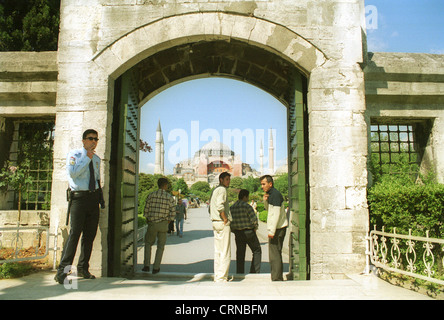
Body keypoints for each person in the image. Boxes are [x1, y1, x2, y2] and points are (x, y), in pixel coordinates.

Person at [55, 129, 102, 284]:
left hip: (92, 198)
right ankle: (62, 271)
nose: (93, 142)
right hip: (79, 199)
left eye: (96, 139)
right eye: (90, 138)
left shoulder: (97, 159)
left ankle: (83, 268)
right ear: (84, 141)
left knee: (90, 235)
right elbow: (73, 173)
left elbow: (96, 180)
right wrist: (87, 159)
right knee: (75, 234)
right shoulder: (75, 155)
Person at [142, 178, 175, 274]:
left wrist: (149, 219)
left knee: (148, 244)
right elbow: (172, 213)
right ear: (165, 185)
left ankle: (146, 265)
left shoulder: (151, 195)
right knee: (160, 246)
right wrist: (168, 221)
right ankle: (156, 267)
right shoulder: (169, 197)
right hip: (163, 224)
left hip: (152, 223)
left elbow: (146, 210)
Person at [260, 174, 288, 281]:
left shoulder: (275, 194)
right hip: (278, 227)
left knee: (274, 254)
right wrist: (265, 200)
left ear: (270, 184)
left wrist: (271, 231)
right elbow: (269, 210)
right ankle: (277, 276)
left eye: (264, 184)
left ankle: (277, 278)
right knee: (275, 253)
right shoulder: (271, 194)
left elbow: (275, 214)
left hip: (278, 228)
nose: (262, 186)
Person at [230, 189, 261, 274]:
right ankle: (254, 271)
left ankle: (240, 272)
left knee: (240, 254)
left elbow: (230, 222)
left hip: (238, 233)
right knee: (256, 250)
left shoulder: (232, 207)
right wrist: (255, 228)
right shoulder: (247, 206)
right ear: (245, 197)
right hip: (249, 231)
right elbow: (254, 220)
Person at [209, 171, 232, 282]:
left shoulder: (215, 190)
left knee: (218, 250)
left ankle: (218, 275)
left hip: (215, 222)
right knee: (225, 251)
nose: (229, 182)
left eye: (229, 179)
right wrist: (225, 218)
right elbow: (220, 206)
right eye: (227, 179)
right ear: (221, 180)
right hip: (222, 222)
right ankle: (222, 277)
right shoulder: (222, 190)